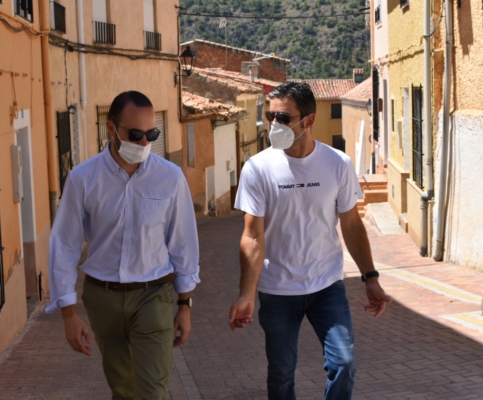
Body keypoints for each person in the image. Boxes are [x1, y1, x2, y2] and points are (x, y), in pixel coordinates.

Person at [228, 82, 391, 400]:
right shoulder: (258, 169)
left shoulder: (337, 164)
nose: (275, 124)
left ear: (309, 120)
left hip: (327, 287)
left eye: (284, 118)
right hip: (277, 292)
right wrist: (246, 294)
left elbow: (352, 225)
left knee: (344, 364)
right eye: (270, 116)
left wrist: (370, 277)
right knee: (281, 374)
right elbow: (252, 235)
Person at [46, 91, 200, 400]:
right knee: (123, 390)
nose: (145, 143)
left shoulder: (170, 178)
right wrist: (68, 314)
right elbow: (64, 245)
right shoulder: (83, 179)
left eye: (152, 134)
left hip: (153, 296)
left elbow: (183, 242)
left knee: (152, 392)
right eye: (136, 134)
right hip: (102, 300)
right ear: (111, 128)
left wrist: (184, 304)